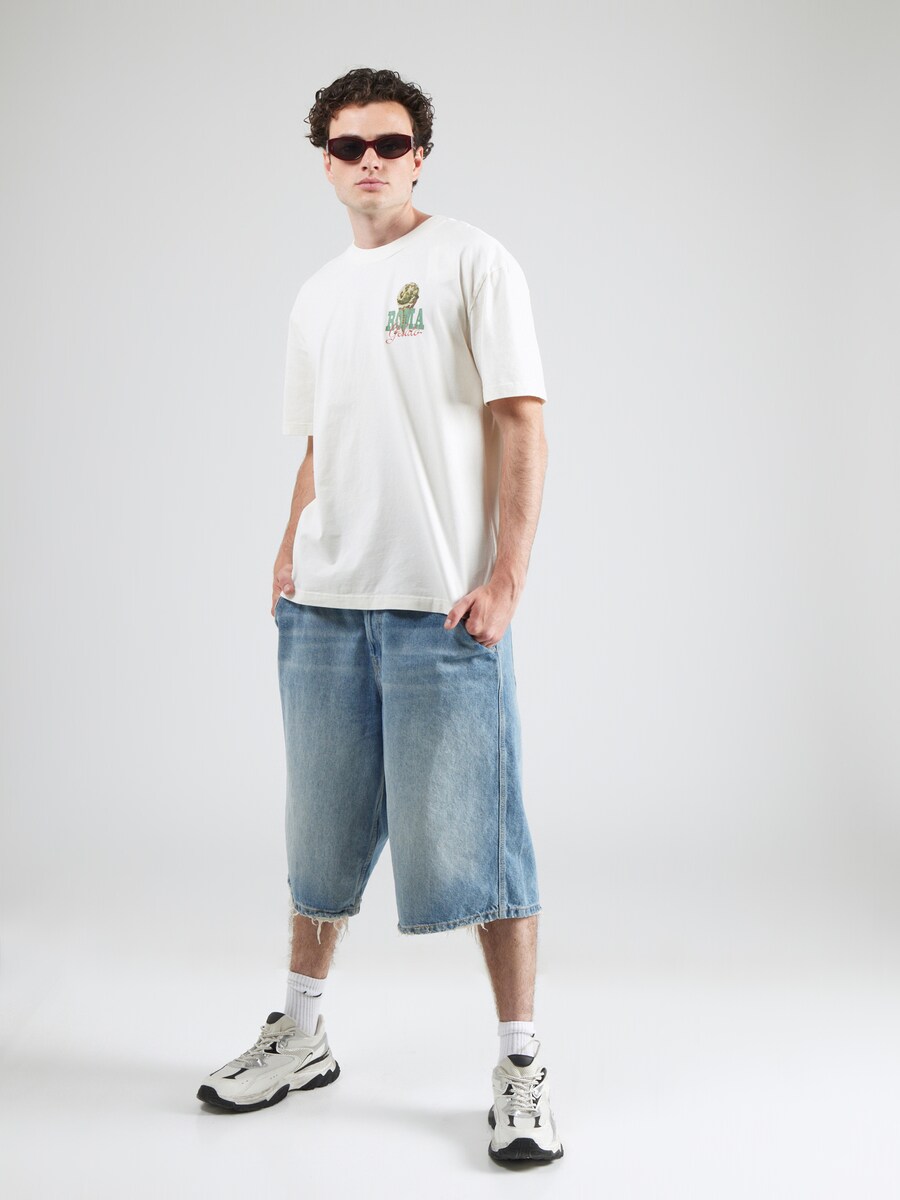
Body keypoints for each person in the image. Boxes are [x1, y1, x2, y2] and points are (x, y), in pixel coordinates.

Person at [196, 66, 563, 1165]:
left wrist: (508, 580)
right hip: (323, 609)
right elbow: (323, 440)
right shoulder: (317, 295)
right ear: (325, 162)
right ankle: (301, 1035)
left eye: (390, 144)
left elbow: (521, 419)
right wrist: (287, 549)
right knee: (318, 842)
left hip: (437, 609)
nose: (370, 161)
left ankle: (522, 1066)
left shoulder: (473, 261)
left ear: (419, 157)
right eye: (349, 145)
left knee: (481, 843)